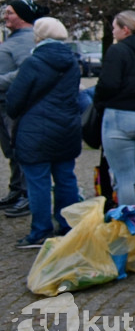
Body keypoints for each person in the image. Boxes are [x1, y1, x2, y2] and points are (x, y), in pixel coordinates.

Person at [6, 18, 82, 248]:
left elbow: (14, 101)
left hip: (35, 130)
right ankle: (67, 225)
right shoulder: (73, 62)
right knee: (66, 178)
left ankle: (40, 231)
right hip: (66, 128)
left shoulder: (33, 62)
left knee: (38, 182)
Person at [93, 11, 135, 206]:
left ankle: (129, 227)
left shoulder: (118, 51)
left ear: (125, 29)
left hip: (120, 115)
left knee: (124, 178)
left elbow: (108, 84)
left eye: (114, 28)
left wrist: (98, 100)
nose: (112, 32)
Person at [0, 0, 50, 218]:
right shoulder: (15, 38)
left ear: (21, 16)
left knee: (20, 150)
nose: (5, 16)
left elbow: (25, 72)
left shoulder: (25, 40)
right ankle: (16, 189)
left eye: (9, 12)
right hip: (5, 103)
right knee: (11, 150)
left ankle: (26, 195)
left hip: (14, 104)